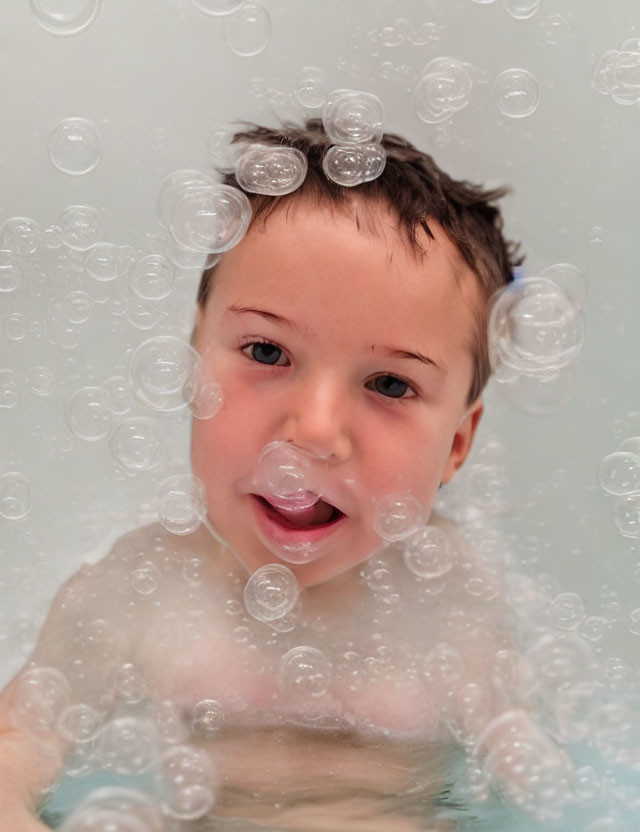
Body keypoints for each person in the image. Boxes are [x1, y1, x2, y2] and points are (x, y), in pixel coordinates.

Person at [0, 120, 570, 831]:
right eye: (267, 351)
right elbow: (15, 750)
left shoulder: (453, 602)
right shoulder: (136, 591)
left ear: (457, 444)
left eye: (390, 386)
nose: (316, 430)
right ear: (190, 365)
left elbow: (530, 783)